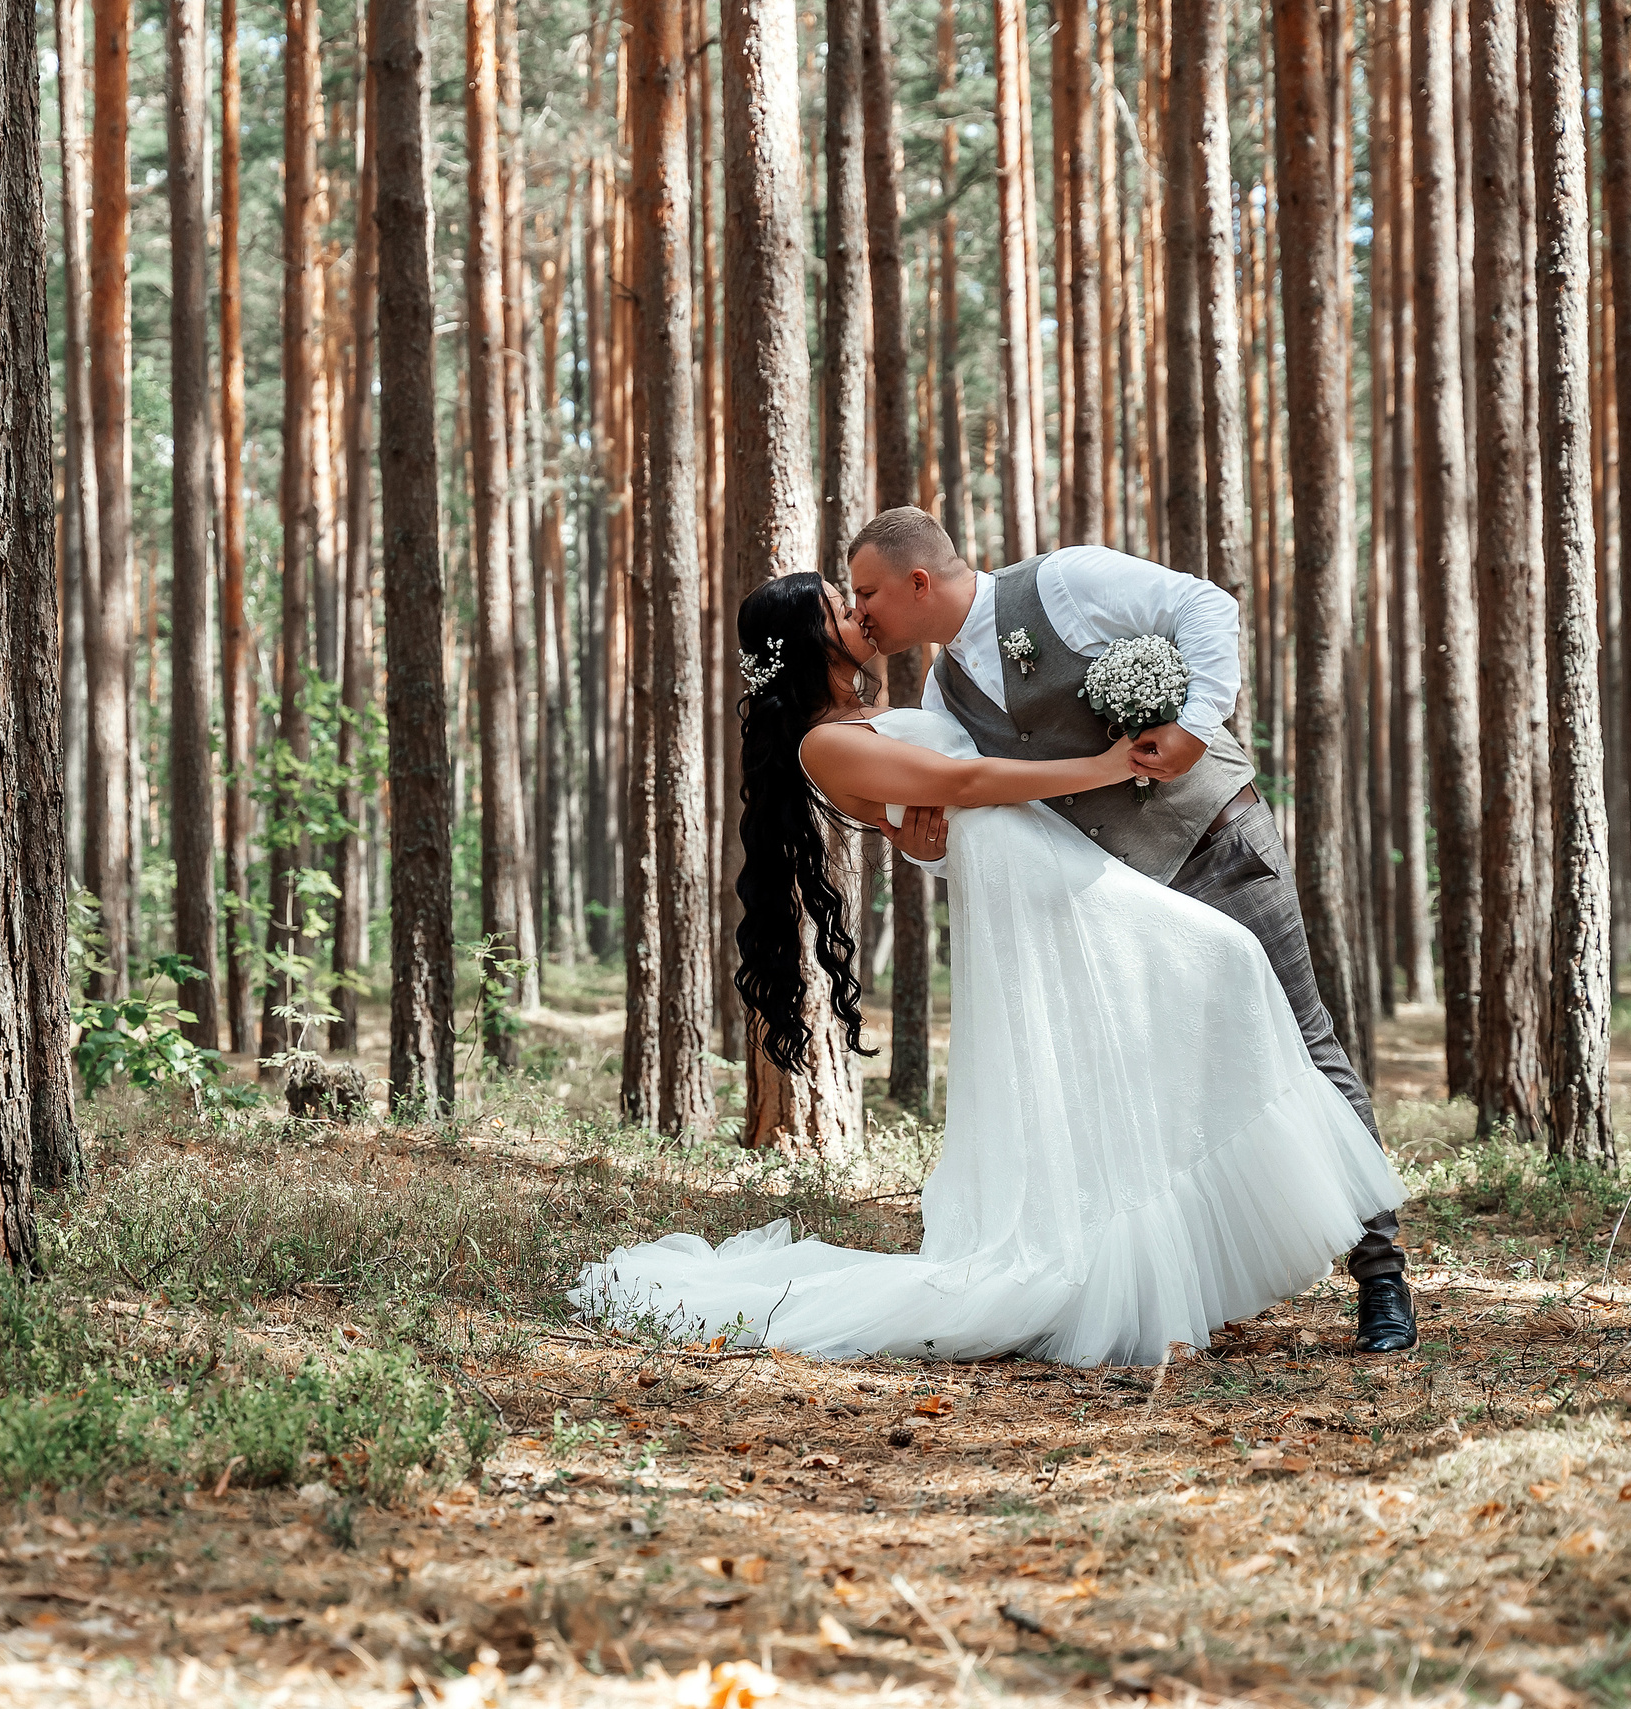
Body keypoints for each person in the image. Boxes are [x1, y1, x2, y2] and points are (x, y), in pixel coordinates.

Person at [568, 568, 1406, 1367]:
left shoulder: (888, 708)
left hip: (1058, 878)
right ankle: (1183, 1259)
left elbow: (941, 811)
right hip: (1040, 895)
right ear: (804, 638)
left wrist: (917, 835)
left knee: (1220, 997)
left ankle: (1338, 1262)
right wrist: (1109, 765)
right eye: (837, 605)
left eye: (857, 594)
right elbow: (966, 780)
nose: (858, 612)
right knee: (1226, 964)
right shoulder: (825, 744)